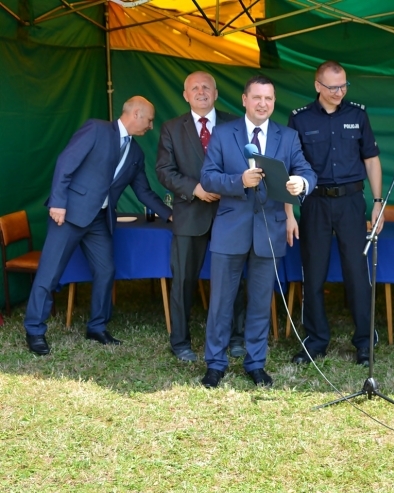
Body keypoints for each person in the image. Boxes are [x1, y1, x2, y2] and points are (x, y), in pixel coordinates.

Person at [24, 97, 172, 355]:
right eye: (149, 120)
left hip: (99, 220)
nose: (151, 126)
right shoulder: (96, 129)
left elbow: (144, 192)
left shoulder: (136, 153)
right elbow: (65, 163)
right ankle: (35, 330)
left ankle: (97, 326)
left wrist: (170, 215)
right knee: (49, 273)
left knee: (106, 271)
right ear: (136, 113)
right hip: (68, 214)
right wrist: (58, 202)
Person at [199, 75, 316, 388]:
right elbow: (208, 178)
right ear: (244, 100)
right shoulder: (223, 134)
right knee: (221, 301)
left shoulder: (288, 137)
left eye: (269, 98)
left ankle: (255, 363)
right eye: (257, 98)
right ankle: (215, 364)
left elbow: (306, 170)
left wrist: (302, 183)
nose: (263, 104)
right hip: (230, 229)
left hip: (269, 230)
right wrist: (239, 181)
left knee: (261, 302)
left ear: (274, 101)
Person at [287, 61, 383, 367]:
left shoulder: (358, 114)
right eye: (332, 87)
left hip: (351, 202)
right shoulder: (299, 119)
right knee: (313, 273)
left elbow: (371, 159)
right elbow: (290, 169)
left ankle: (365, 342)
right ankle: (315, 340)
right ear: (317, 86)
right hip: (314, 202)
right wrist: (289, 211)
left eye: (343, 86)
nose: (338, 92)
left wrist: (378, 200)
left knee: (357, 272)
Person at [156, 71, 246, 363]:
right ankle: (180, 342)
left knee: (234, 279)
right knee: (183, 281)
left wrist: (229, 185)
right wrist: (195, 188)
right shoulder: (171, 128)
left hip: (230, 213)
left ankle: (236, 338)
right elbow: (164, 171)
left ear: (216, 93)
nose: (201, 91)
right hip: (190, 213)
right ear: (185, 95)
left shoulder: (235, 123)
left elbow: (247, 162)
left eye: (206, 87)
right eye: (195, 88)